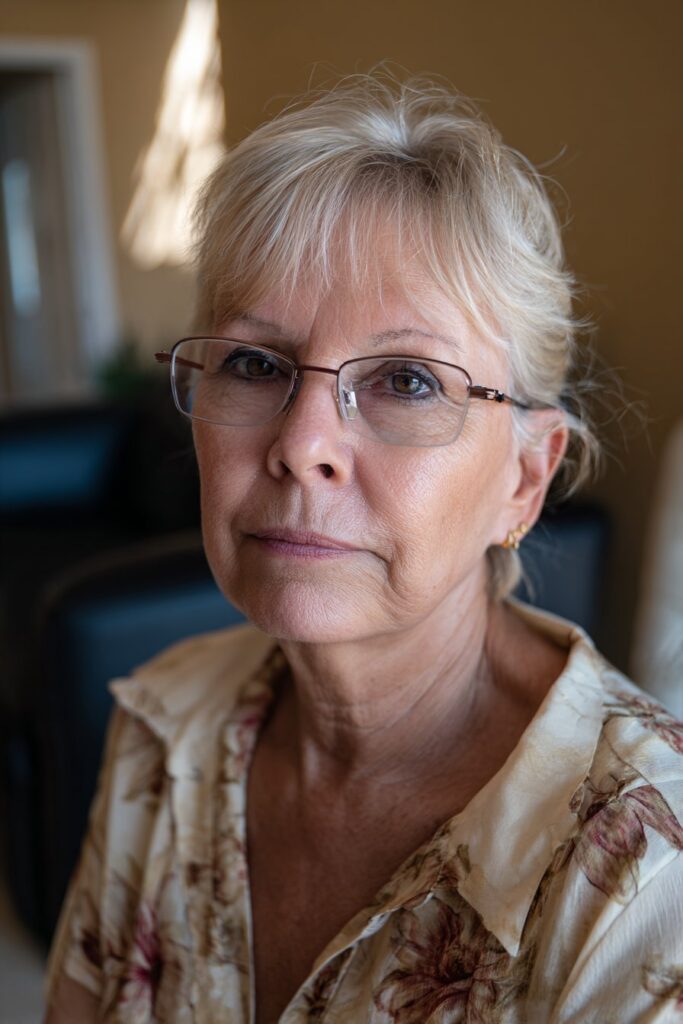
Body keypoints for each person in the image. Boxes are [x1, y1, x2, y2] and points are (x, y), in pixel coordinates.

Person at [45, 75, 682, 1023]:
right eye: (255, 363)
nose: (301, 444)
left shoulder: (647, 874)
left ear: (524, 477)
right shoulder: (167, 723)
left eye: (407, 380)